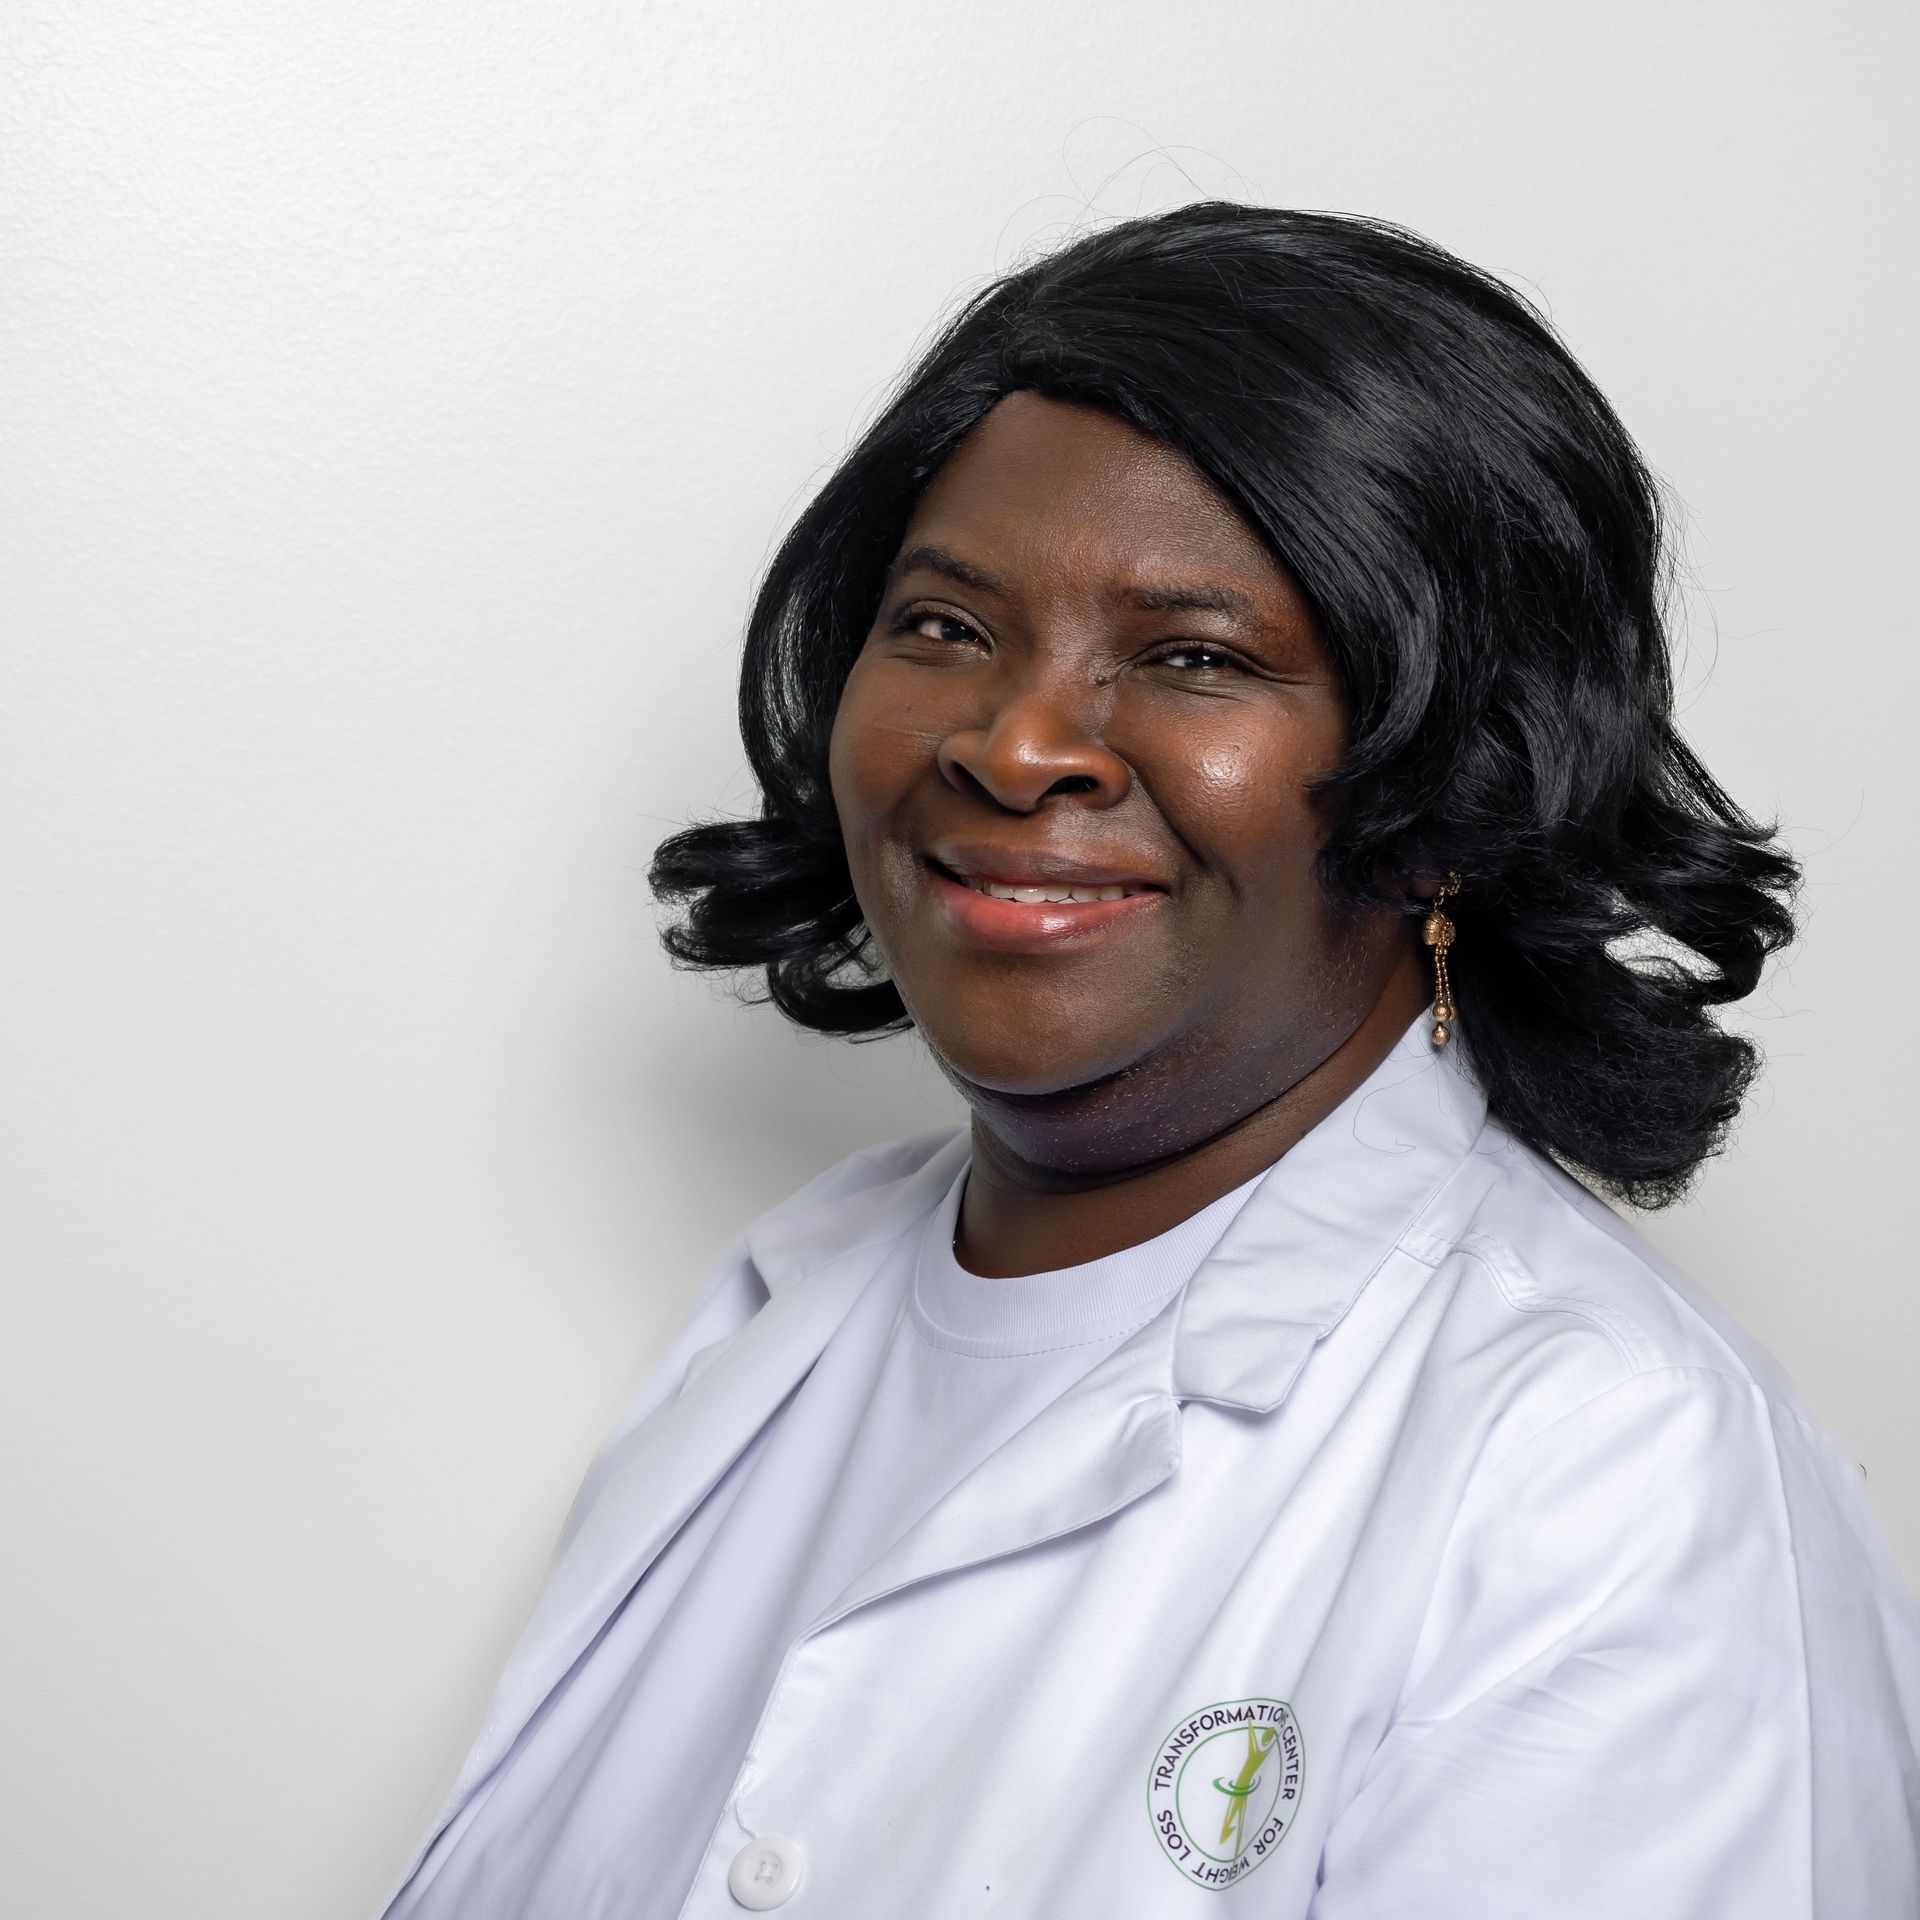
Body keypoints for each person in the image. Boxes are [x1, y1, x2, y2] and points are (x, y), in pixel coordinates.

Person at [375, 205, 1920, 1918]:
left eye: (1192, 657)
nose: (1015, 742)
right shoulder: (781, 1310)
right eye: (948, 627)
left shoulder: (1611, 1481)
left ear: (1460, 783)